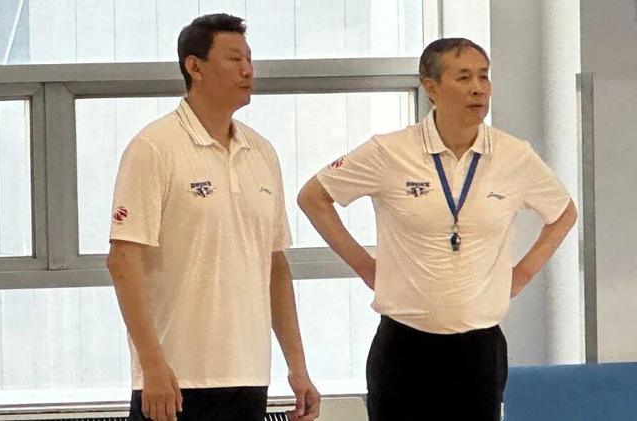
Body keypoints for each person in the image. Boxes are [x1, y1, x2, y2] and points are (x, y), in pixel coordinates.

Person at [297, 37, 577, 421]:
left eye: (483, 76)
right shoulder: (390, 151)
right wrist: (365, 266)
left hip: (479, 349)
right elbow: (313, 197)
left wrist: (523, 273)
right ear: (431, 88)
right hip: (404, 345)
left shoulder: (514, 156)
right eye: (463, 77)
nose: (478, 88)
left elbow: (563, 213)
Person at [106, 14, 320, 421]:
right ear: (195, 66)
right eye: (234, 59)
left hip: (249, 374)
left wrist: (298, 367)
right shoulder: (154, 147)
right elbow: (122, 260)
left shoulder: (262, 152)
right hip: (174, 378)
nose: (247, 70)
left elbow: (275, 266)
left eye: (250, 59)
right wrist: (152, 365)